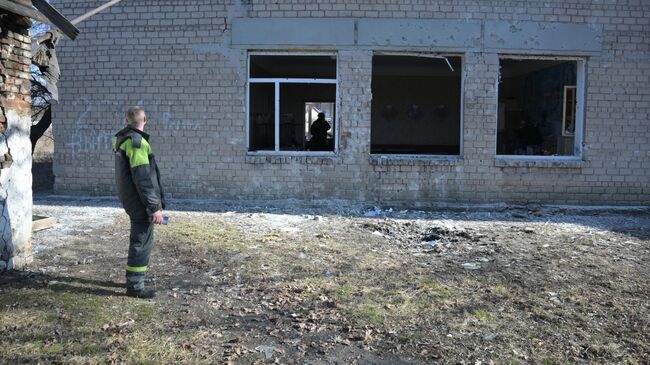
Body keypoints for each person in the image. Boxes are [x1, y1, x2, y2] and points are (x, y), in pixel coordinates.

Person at [113, 106, 166, 298]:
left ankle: (135, 278)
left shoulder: (123, 140)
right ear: (146, 119)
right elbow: (143, 179)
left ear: (127, 120)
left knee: (140, 239)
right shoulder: (137, 143)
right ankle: (135, 286)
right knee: (141, 241)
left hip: (130, 197)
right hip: (139, 201)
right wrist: (154, 208)